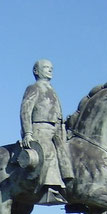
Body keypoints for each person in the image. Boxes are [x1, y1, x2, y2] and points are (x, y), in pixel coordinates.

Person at [20, 59, 73, 204]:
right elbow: (25, 111)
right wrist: (28, 133)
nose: (50, 70)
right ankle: (49, 189)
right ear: (36, 71)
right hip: (40, 130)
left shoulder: (52, 90)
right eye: (46, 67)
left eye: (51, 68)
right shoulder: (34, 88)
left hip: (55, 131)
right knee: (48, 151)